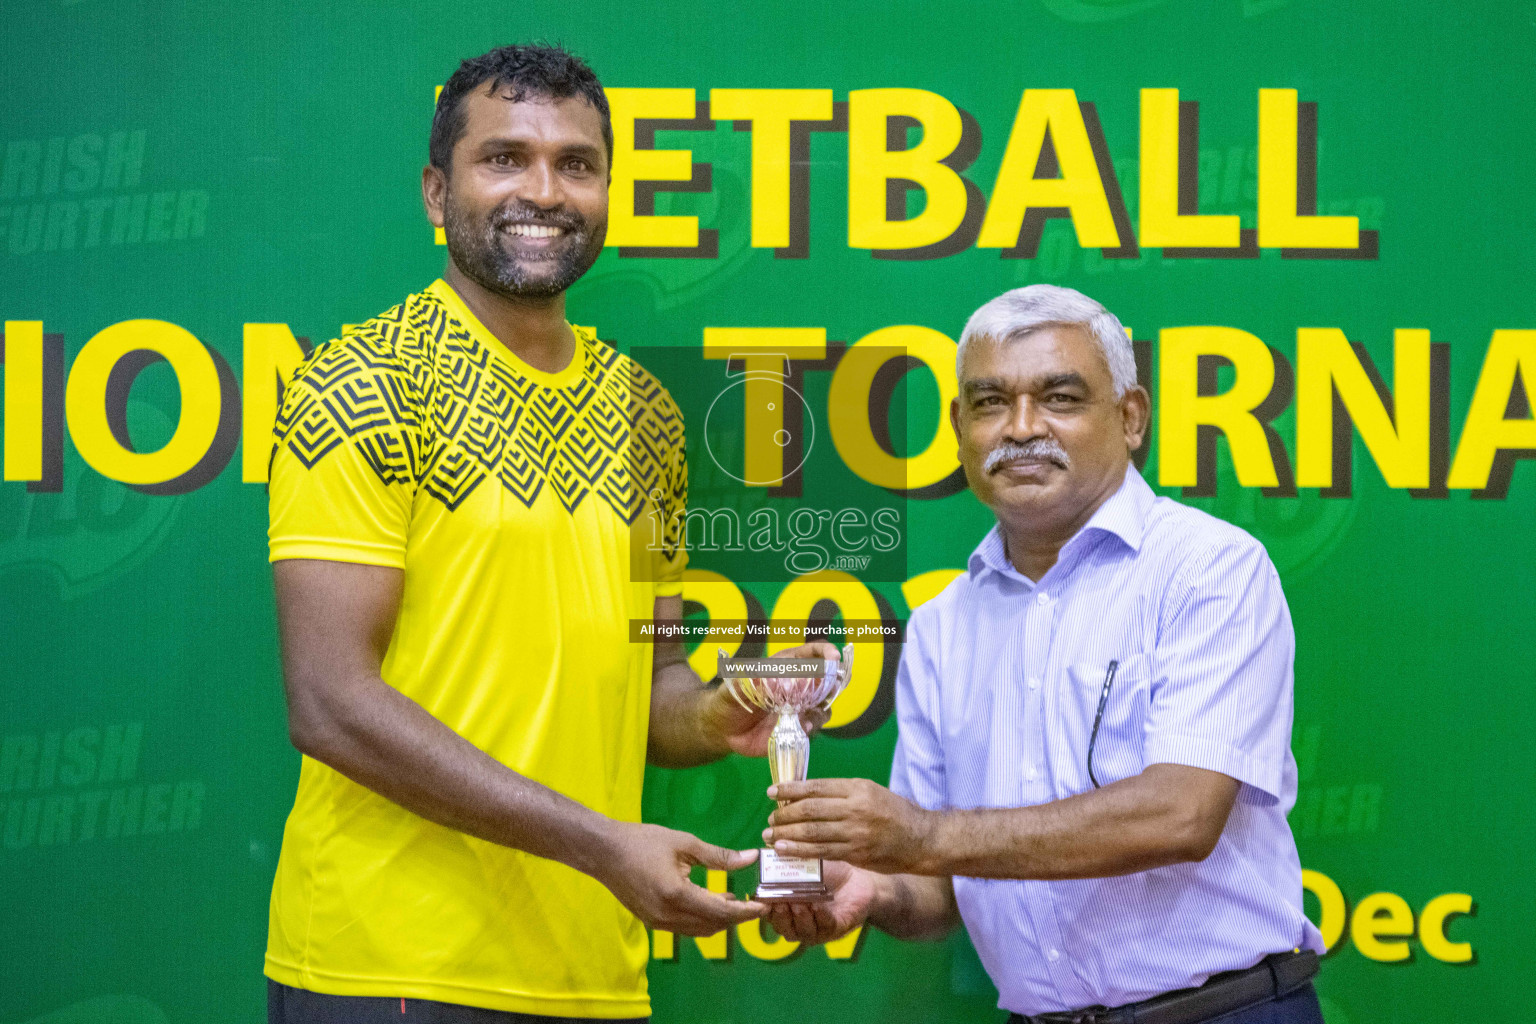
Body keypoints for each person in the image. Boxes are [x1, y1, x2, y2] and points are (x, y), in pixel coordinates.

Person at [263, 44, 829, 1023]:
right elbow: (329, 702)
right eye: (505, 158)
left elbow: (647, 694)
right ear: (438, 192)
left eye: (577, 163)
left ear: (609, 192)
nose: (545, 189)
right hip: (394, 966)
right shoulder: (361, 385)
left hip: (593, 976)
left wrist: (727, 707)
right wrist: (601, 843)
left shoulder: (646, 413)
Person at [764, 285, 1326, 1024]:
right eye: (990, 402)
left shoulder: (1209, 568)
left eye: (1060, 397)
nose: (1021, 428)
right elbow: (939, 887)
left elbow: (1181, 816)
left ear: (1131, 418)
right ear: (960, 427)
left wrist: (922, 838)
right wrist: (877, 891)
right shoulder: (941, 628)